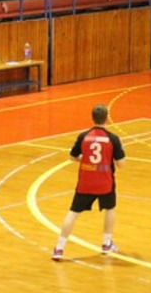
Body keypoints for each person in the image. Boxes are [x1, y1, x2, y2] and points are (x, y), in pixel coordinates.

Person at [52, 103, 126, 261]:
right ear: (106, 118)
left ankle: (59, 248)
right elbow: (121, 165)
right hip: (105, 182)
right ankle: (106, 243)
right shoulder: (113, 139)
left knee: (73, 213)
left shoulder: (83, 136)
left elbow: (72, 157)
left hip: (85, 182)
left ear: (92, 117)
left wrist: (85, 160)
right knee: (110, 209)